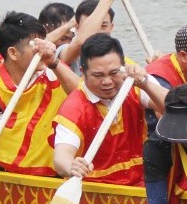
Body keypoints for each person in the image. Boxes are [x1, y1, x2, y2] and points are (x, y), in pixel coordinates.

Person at [0, 11, 80, 176]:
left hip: (54, 171)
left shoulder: (53, 71)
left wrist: (54, 62)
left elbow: (84, 98)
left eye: (42, 43)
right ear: (13, 53)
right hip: (5, 171)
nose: (41, 50)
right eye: (34, 45)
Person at [51, 34, 166, 184]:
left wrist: (145, 83)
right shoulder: (74, 108)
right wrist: (71, 166)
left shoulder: (134, 82)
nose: (107, 82)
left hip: (141, 181)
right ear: (82, 72)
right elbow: (61, 157)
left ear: (123, 66)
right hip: (96, 188)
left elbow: (175, 108)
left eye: (113, 73)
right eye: (98, 75)